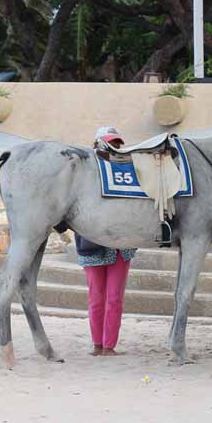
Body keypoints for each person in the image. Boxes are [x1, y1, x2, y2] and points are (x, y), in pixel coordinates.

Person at [76, 125, 136, 356]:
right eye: (109, 143)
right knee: (96, 299)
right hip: (91, 244)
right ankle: (97, 344)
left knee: (114, 299)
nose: (114, 147)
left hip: (120, 245)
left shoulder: (129, 171)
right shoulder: (84, 173)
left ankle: (109, 345)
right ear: (96, 145)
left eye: (117, 143)